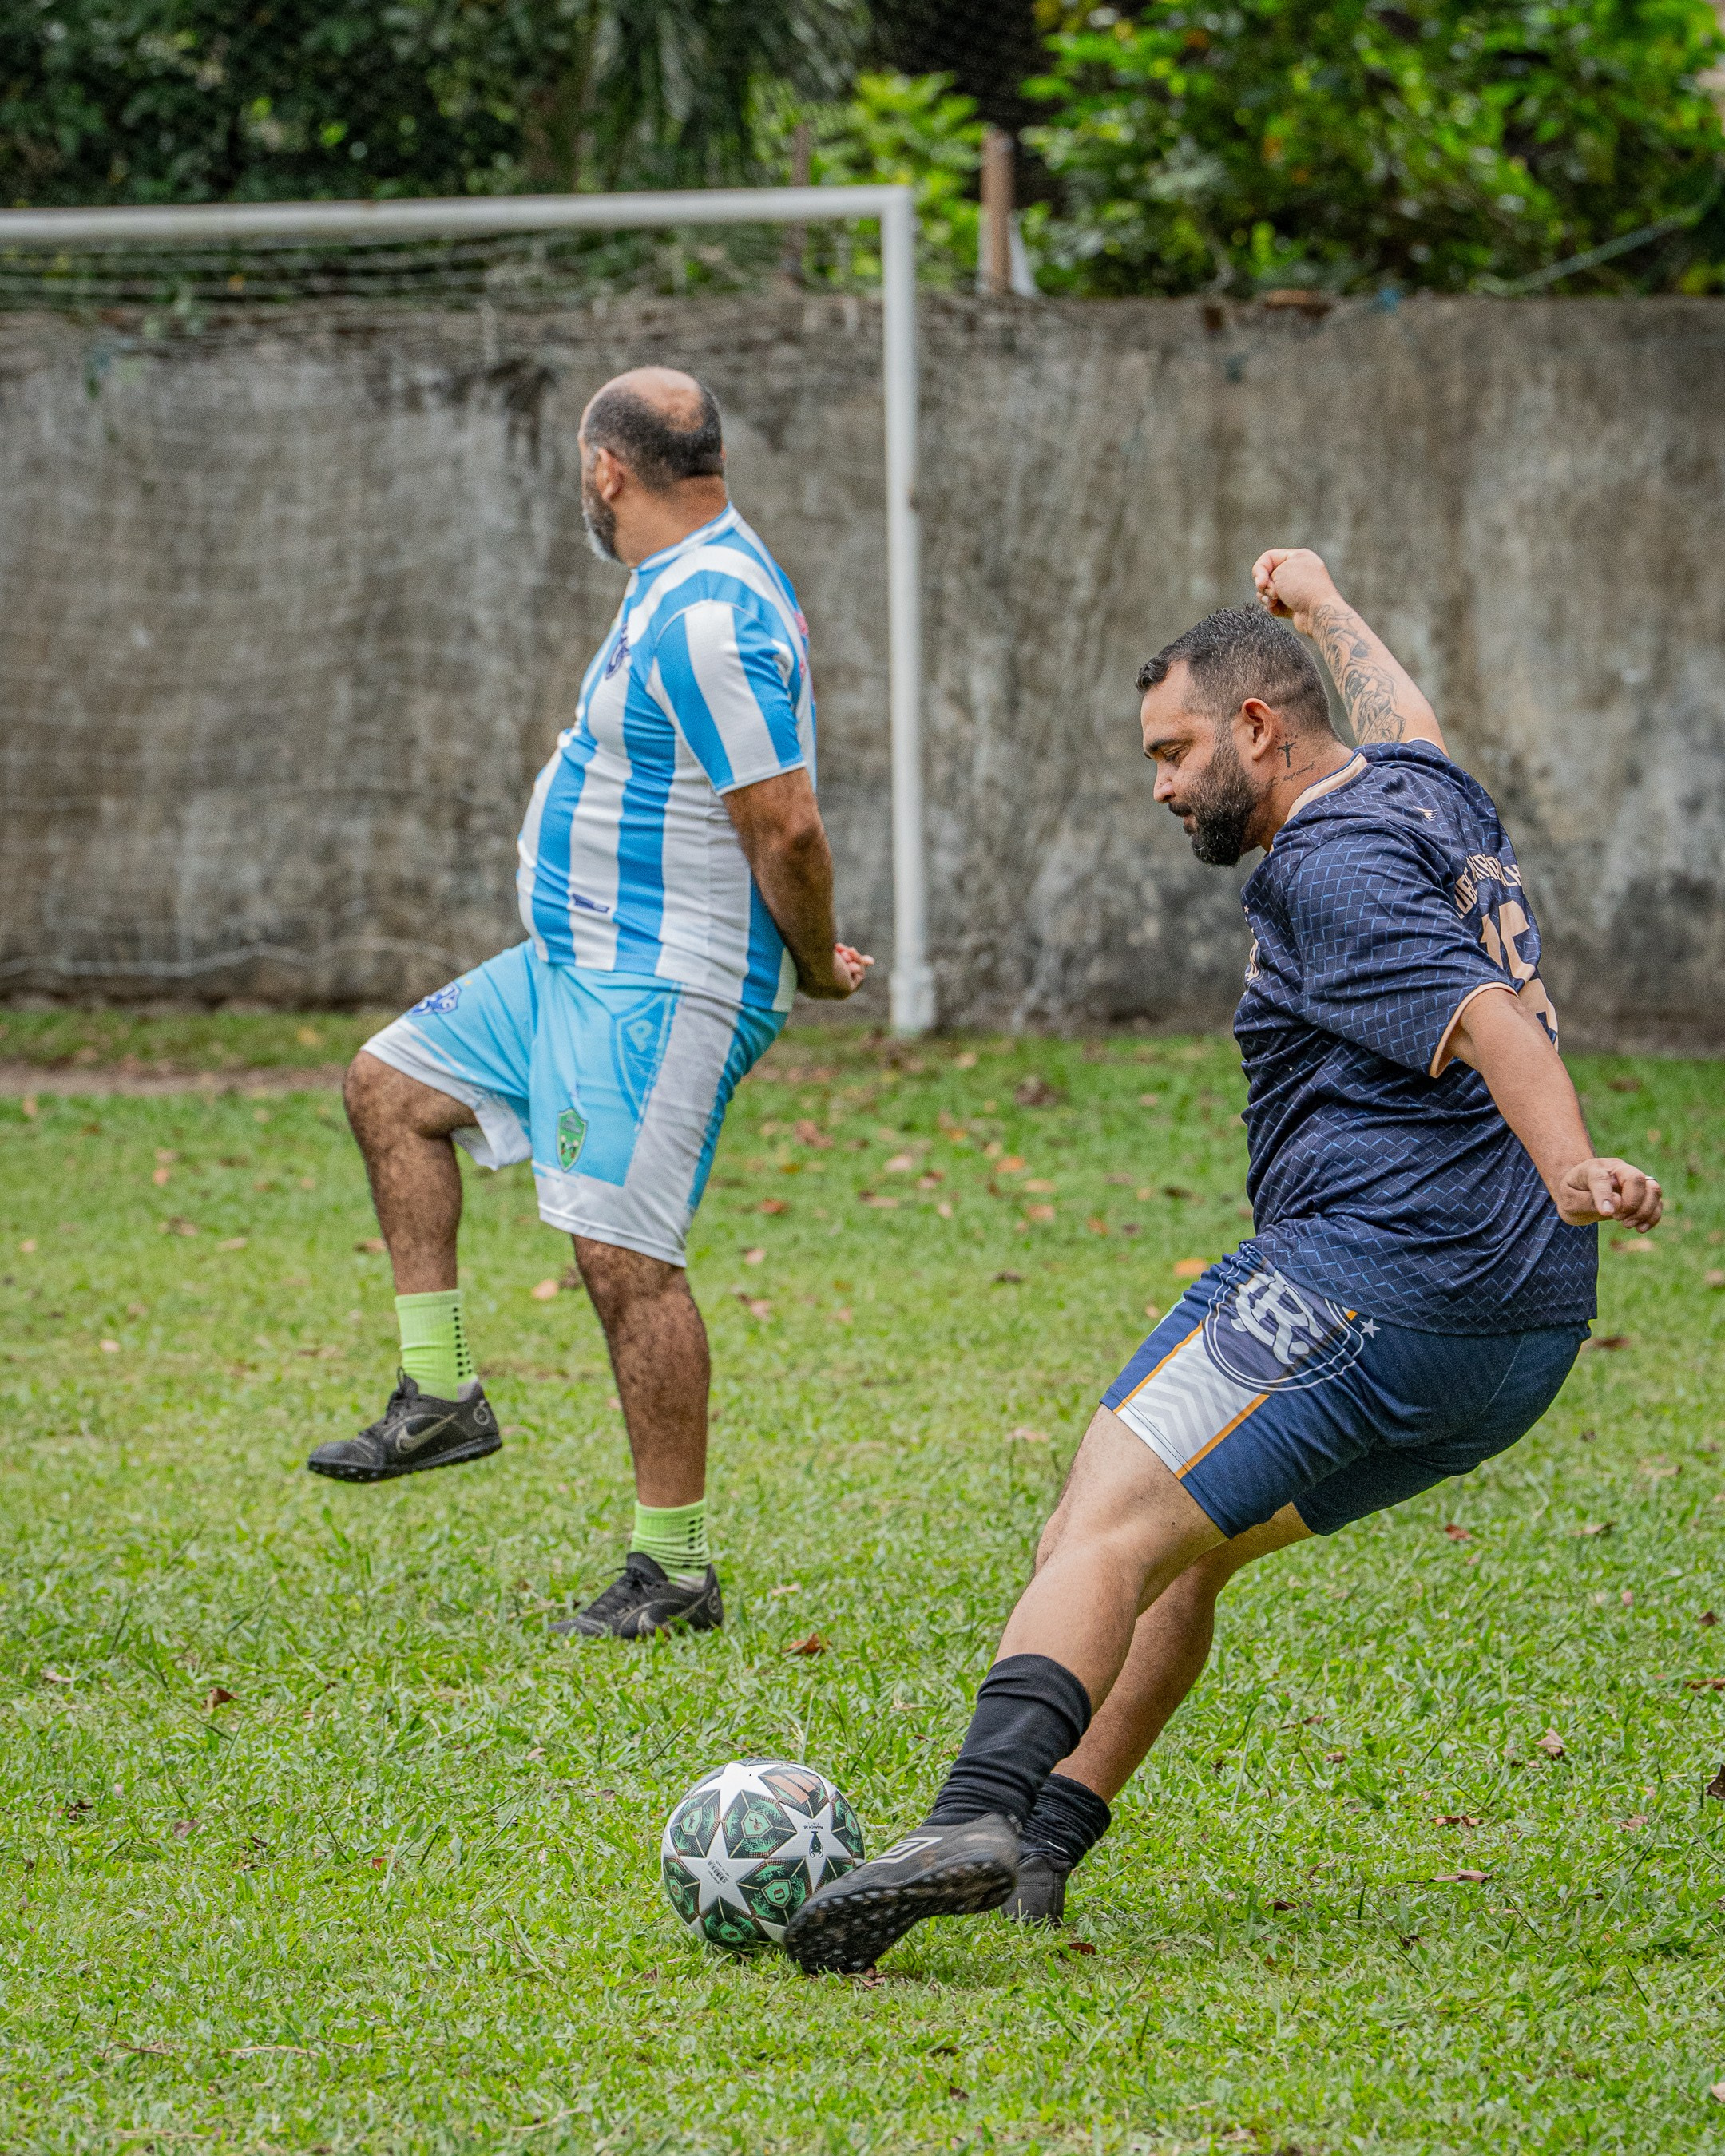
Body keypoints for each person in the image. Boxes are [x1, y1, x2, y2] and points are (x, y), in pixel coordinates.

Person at [784, 545, 1661, 1972]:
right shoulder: (1424, 794)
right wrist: (1316, 605)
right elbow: (1410, 718)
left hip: (1372, 1282)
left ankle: (970, 1817)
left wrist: (1572, 1170)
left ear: (1259, 728)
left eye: (1176, 751)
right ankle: (1045, 1853)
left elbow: (1493, 1018)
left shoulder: (1326, 870)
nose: (1162, 788)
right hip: (1517, 1344)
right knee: (1183, 1563)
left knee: (1103, 1526)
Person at [307, 367, 870, 1640]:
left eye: (582, 464)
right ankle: (442, 1396)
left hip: (663, 981)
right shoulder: (674, 582)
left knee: (626, 1260)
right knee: (389, 1088)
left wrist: (818, 957)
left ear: (607, 468)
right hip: (571, 959)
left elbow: (783, 820)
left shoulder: (713, 611)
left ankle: (671, 1571)